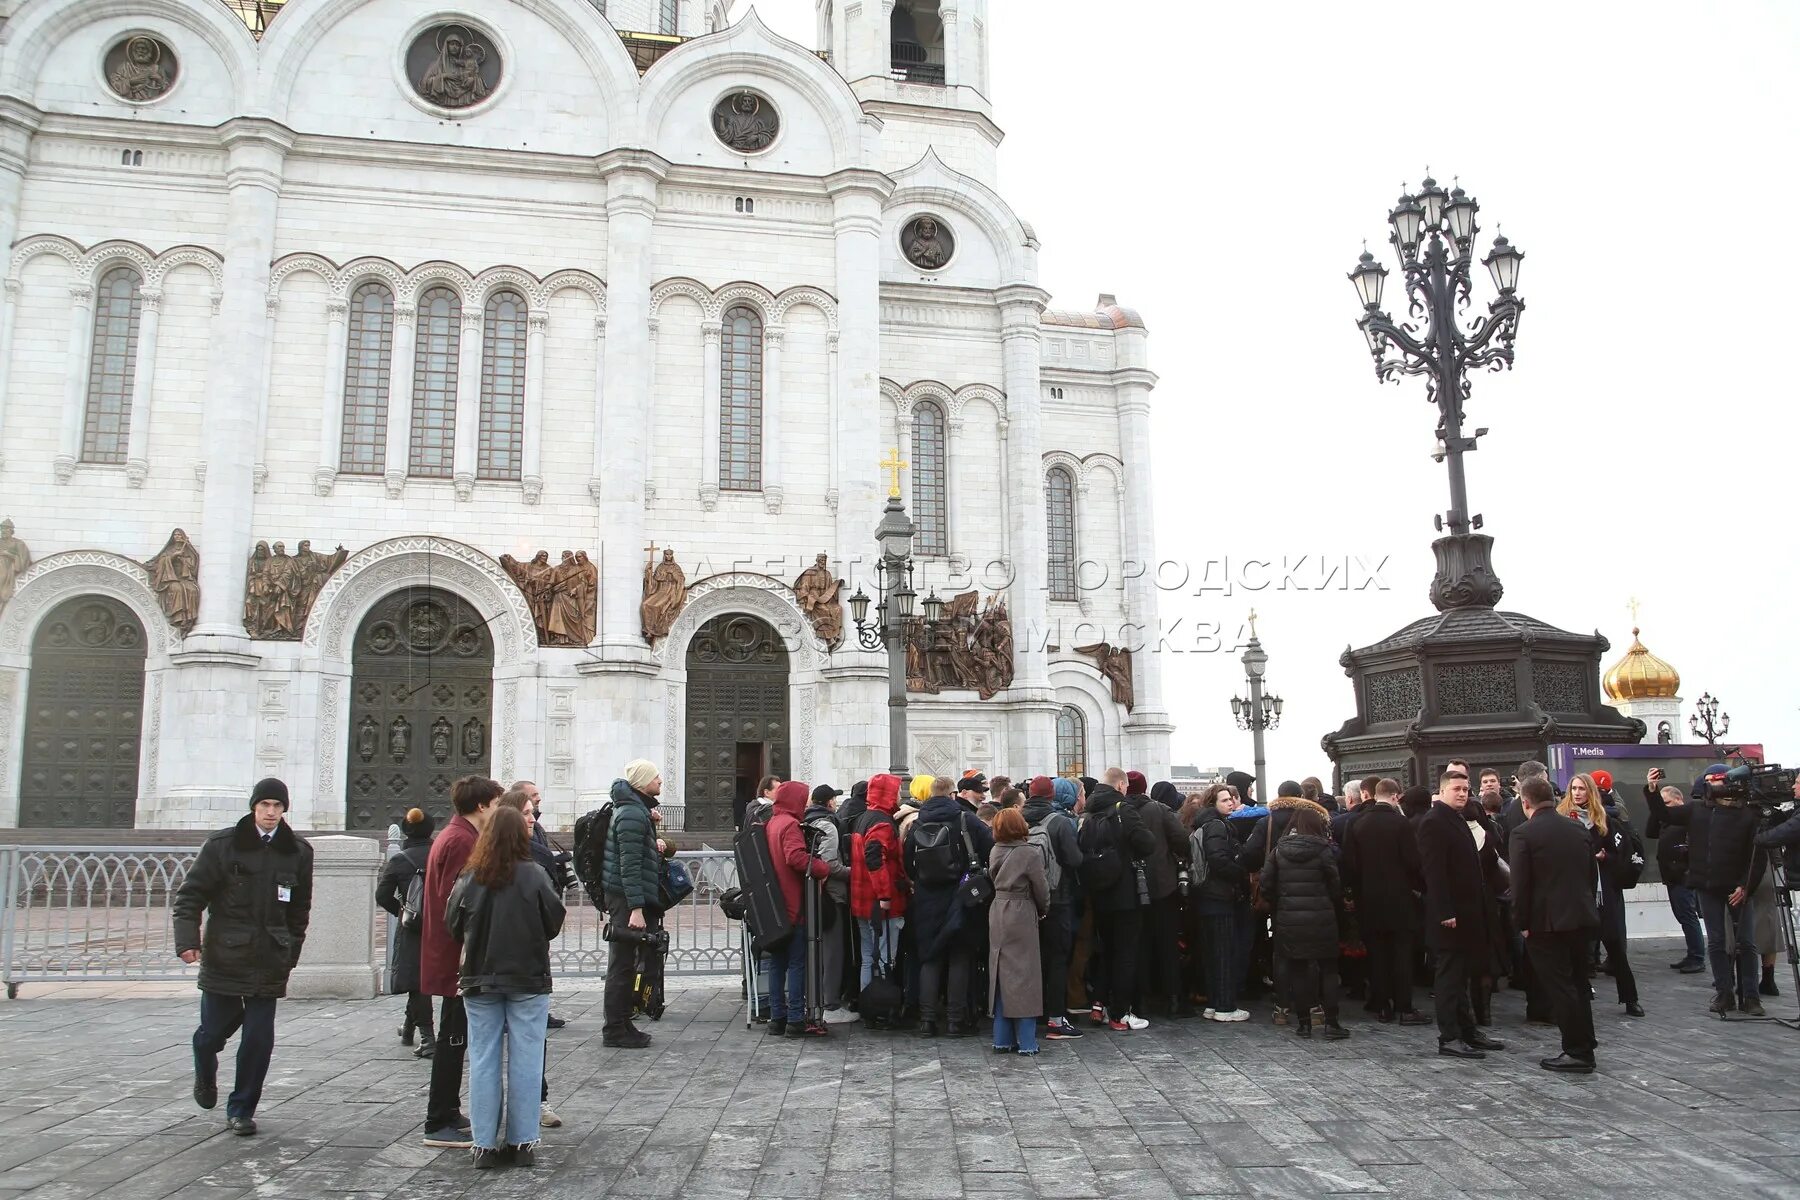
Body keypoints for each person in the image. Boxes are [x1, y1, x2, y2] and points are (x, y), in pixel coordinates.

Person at [173, 778, 314, 1137]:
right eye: (265, 804)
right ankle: (205, 1066)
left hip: (270, 958)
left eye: (277, 806)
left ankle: (241, 1108)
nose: (270, 812)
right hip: (226, 954)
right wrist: (188, 940)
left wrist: (291, 951)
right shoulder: (223, 845)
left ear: (285, 810)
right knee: (212, 1033)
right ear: (254, 806)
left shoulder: (297, 850)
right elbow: (190, 897)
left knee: (258, 1039)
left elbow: (299, 909)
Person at [445, 805, 565, 1169]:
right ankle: (522, 1141)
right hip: (528, 977)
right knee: (527, 1059)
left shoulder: (470, 877)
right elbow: (554, 920)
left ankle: (483, 1144)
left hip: (481, 977)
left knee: (483, 1059)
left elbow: (453, 924)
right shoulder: (536, 875)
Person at [1645, 765, 1767, 1016]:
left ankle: (1751, 997)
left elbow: (1757, 856)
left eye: (1717, 780)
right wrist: (1652, 789)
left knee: (1746, 942)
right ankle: (1724, 993)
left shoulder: (1747, 814)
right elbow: (1663, 815)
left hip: (1737, 887)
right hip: (1707, 885)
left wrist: (1745, 885)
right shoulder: (1696, 810)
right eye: (1709, 780)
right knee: (1717, 941)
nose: (1712, 784)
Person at [420, 775, 502, 1148]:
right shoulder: (460, 841)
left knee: (457, 1035)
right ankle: (438, 1120)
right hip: (458, 958)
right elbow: (461, 903)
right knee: (452, 1039)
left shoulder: (457, 836)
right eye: (498, 804)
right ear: (483, 806)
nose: (500, 811)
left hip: (457, 955)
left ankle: (449, 1109)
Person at [1508, 776, 1600, 1073]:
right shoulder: (1577, 828)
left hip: (1545, 923)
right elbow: (1590, 874)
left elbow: (1520, 884)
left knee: (1560, 988)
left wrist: (1520, 922)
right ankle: (1585, 1042)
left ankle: (1577, 1050)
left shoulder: (1523, 834)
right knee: (1579, 984)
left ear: (1525, 802)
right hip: (1581, 916)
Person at [1417, 769, 1505, 1060]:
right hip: (1450, 916)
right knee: (1449, 978)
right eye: (1456, 788)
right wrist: (1444, 910)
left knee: (1462, 976)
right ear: (1442, 791)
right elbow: (1434, 871)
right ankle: (1450, 1037)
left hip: (1468, 913)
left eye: (1466, 789)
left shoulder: (1456, 819)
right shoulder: (1433, 822)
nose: (1462, 793)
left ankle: (1467, 1031)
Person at [906, 775, 993, 1037]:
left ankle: (927, 1020)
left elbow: (908, 862)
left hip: (926, 897)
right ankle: (955, 1020)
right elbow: (989, 850)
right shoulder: (966, 819)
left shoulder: (918, 821)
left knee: (930, 957)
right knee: (959, 957)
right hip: (961, 897)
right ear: (953, 794)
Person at [1341, 778, 1426, 1025]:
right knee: (1401, 954)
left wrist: (1356, 894)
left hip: (1369, 899)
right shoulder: (1401, 823)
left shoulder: (1356, 823)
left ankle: (1382, 1005)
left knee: (1376, 955)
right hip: (1400, 899)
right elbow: (1413, 862)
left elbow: (1350, 865)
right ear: (1396, 796)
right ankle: (1404, 1006)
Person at [766, 780, 848, 1037]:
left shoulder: (773, 821)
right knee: (797, 963)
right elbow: (795, 857)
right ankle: (795, 1019)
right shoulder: (790, 824)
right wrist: (822, 868)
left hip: (776, 904)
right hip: (793, 904)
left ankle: (777, 1017)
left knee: (777, 963)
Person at [1260, 803, 1348, 1040]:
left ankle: (1304, 1025)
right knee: (1328, 969)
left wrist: (1282, 903)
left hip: (1290, 920)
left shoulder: (1279, 850)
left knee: (1298, 971)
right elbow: (1335, 885)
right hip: (1322, 918)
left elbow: (1266, 885)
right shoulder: (1323, 850)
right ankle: (1331, 1023)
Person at [1078, 771, 1156, 1031]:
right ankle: (1120, 1013)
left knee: (1105, 949)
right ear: (1122, 785)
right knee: (1126, 952)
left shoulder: (1088, 813)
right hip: (1125, 890)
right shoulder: (1124, 810)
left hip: (1099, 891)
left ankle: (1098, 1004)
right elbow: (1147, 843)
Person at [1560, 773, 1642, 1017]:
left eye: (1582, 789)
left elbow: (1624, 858)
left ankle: (1630, 998)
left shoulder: (1606, 822)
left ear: (1591, 792)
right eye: (1574, 788)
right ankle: (1582, 993)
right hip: (1575, 893)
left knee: (1615, 946)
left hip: (1603, 893)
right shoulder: (1562, 819)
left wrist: (1606, 858)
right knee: (1578, 949)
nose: (1577, 793)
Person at [601, 761, 664, 1048]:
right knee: (622, 964)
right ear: (642, 782)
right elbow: (629, 864)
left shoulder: (636, 811)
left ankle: (623, 1022)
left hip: (628, 896)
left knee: (628, 963)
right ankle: (615, 1028)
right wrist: (636, 908)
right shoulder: (630, 813)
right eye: (655, 777)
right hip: (626, 899)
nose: (660, 780)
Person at [1123, 769, 1192, 1018]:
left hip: (1129, 887)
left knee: (1138, 945)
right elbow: (1182, 840)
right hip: (1163, 885)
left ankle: (1140, 1001)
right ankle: (1173, 1000)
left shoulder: (1117, 811)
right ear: (1144, 787)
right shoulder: (1160, 810)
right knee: (1167, 945)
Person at [988, 808, 1050, 1054]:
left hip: (998, 908)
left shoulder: (995, 850)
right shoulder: (1029, 852)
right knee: (1025, 974)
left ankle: (1002, 1038)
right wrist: (1043, 909)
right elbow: (1041, 888)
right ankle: (1027, 1041)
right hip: (1021, 910)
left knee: (1001, 971)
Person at [376, 807, 436, 1058]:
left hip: (413, 928)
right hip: (442, 924)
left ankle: (428, 1038)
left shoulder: (400, 860)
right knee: (424, 981)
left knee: (416, 981)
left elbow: (382, 896)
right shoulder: (439, 854)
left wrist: (402, 912)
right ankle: (410, 1028)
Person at [1188, 783, 1250, 1022]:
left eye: (1230, 800)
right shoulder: (1216, 825)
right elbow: (1217, 858)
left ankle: (1214, 1004)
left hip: (1207, 896)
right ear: (1213, 803)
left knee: (1213, 954)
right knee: (1223, 953)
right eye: (1224, 800)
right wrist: (1239, 872)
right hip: (1219, 896)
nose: (1231, 803)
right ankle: (1225, 1006)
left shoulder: (1205, 823)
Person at [850, 773, 908, 1028]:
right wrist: (885, 895)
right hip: (881, 903)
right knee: (885, 957)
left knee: (867, 957)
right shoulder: (883, 823)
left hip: (862, 900)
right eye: (895, 791)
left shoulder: (862, 818)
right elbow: (876, 858)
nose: (898, 796)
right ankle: (883, 1008)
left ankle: (869, 1008)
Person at [1030, 776, 1084, 1039]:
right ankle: (1056, 1017)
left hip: (1024, 900)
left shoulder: (1015, 817)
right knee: (1058, 958)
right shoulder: (1060, 823)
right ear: (1052, 795)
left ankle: (1033, 1012)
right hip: (1057, 898)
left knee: (1032, 958)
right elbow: (1074, 859)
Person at [803, 783, 853, 1019]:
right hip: (831, 894)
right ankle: (830, 1004)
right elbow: (831, 865)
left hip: (811, 894)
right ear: (829, 802)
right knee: (833, 951)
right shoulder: (828, 826)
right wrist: (853, 872)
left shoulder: (805, 821)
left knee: (816, 949)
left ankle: (814, 999)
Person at [1647, 782, 1706, 973]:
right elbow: (1650, 832)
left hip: (1682, 876)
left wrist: (1685, 869)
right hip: (1671, 875)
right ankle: (1692, 954)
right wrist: (1657, 810)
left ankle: (1697, 957)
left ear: (1679, 800)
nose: (1665, 807)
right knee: (1682, 916)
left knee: (1688, 916)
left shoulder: (1687, 819)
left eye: (1668, 803)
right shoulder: (1667, 821)